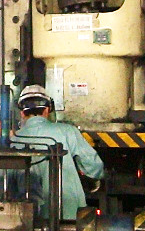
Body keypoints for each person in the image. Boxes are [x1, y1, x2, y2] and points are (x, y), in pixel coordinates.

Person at [8, 84, 104, 220]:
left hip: (27, 219)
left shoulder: (14, 141)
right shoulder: (68, 131)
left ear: (22, 113)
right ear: (47, 110)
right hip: (69, 215)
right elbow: (94, 167)